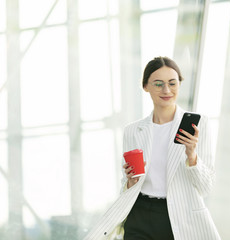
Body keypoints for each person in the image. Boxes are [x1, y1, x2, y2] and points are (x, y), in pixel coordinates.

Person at [83, 57, 220, 240]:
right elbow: (127, 184)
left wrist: (192, 156)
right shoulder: (133, 131)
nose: (166, 90)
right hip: (139, 212)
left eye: (172, 83)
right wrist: (131, 181)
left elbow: (205, 186)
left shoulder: (198, 125)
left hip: (176, 216)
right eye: (158, 84)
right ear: (146, 86)